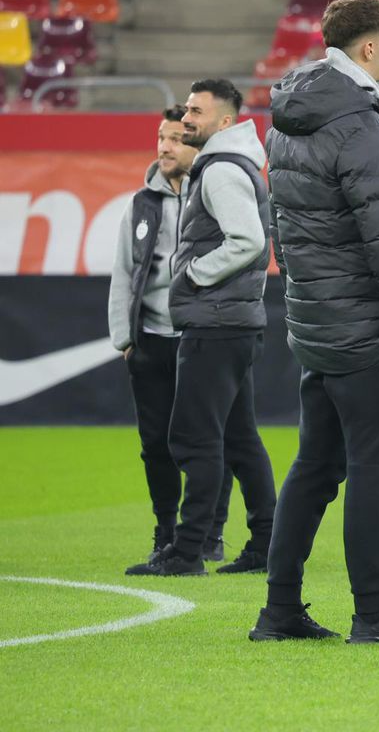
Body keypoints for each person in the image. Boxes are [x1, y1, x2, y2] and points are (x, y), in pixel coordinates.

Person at [252, 0, 379, 645]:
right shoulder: (363, 127)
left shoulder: (287, 118)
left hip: (315, 323)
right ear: (367, 47)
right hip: (365, 329)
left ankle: (279, 611)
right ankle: (372, 614)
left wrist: (310, 299)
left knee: (313, 467)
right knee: (374, 473)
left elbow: (283, 227)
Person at [125, 79, 277, 578]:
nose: (186, 118)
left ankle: (188, 550)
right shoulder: (231, 164)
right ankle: (266, 543)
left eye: (196, 112)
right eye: (187, 109)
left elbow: (248, 241)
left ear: (225, 122)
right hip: (232, 321)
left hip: (215, 323)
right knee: (240, 439)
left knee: (194, 438)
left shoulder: (220, 170)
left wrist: (191, 275)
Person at [109, 106, 234, 569]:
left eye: (176, 139)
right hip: (150, 339)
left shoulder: (215, 192)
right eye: (161, 138)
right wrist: (125, 338)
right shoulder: (141, 205)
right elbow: (124, 272)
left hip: (200, 336)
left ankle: (208, 534)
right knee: (155, 445)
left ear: (195, 144)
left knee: (208, 440)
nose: (165, 147)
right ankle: (165, 532)